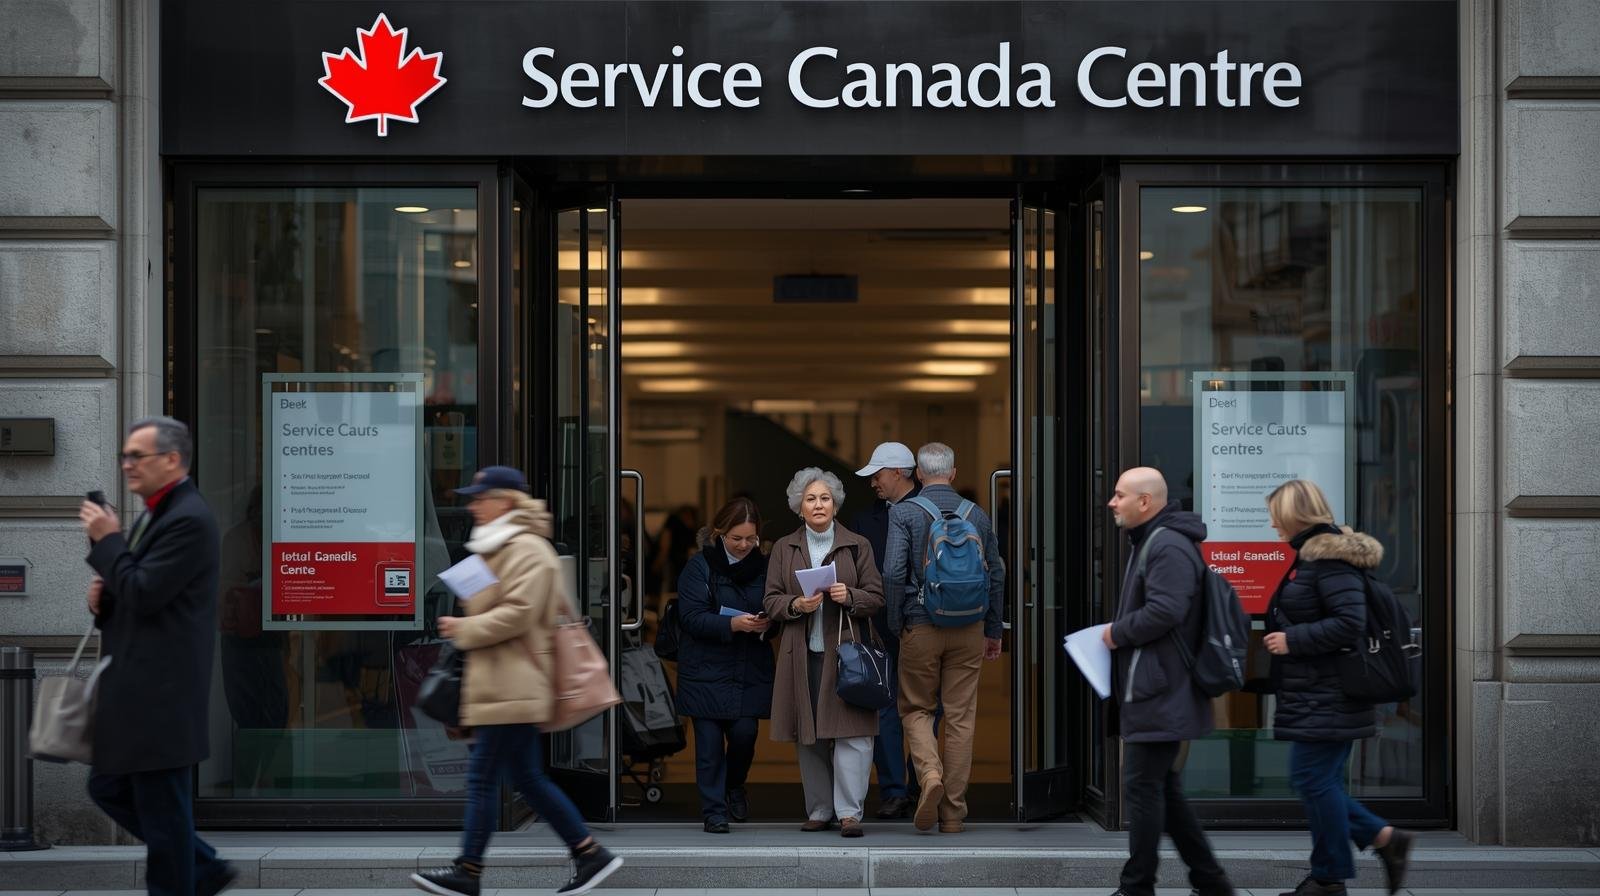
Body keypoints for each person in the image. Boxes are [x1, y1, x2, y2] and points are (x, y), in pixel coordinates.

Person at [411, 466, 622, 896]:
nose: (472, 505)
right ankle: (587, 852)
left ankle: (468, 871)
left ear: (505, 500)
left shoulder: (528, 549)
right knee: (526, 779)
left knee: (485, 779)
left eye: (480, 497)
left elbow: (518, 615)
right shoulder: (498, 547)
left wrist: (462, 628)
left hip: (515, 684)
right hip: (500, 684)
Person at [77, 416, 237, 896]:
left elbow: (145, 593)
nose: (127, 465)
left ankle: (197, 870)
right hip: (140, 692)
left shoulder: (187, 517)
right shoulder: (156, 512)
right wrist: (103, 598)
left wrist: (108, 540)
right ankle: (204, 866)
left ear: (171, 460)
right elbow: (137, 595)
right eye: (124, 456)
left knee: (163, 824)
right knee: (110, 789)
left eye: (137, 456)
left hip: (161, 697)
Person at [1262, 479, 1413, 896]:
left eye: (1277, 514)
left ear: (1296, 515)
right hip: (1318, 691)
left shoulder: (1328, 561)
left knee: (1312, 780)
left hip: (1331, 693)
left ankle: (1349, 863)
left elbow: (1350, 622)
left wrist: (1293, 640)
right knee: (1316, 780)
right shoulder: (1313, 558)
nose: (1272, 522)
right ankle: (1337, 871)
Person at [1102, 466, 1233, 896]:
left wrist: (1115, 633)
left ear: (1146, 502)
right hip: (1157, 688)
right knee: (1165, 790)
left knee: (1142, 787)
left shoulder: (1167, 546)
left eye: (1120, 495)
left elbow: (1166, 611)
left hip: (1160, 690)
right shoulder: (1153, 542)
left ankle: (1137, 885)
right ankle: (1210, 881)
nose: (1112, 502)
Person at [881, 442, 1005, 834]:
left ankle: (929, 774)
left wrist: (895, 619)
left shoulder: (905, 512)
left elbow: (891, 572)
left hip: (921, 624)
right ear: (952, 473)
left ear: (918, 474)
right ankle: (953, 812)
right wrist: (993, 628)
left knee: (916, 709)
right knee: (960, 717)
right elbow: (997, 573)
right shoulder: (978, 515)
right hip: (968, 628)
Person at [764, 467, 885, 838]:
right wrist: (796, 605)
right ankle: (819, 809)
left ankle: (849, 813)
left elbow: (876, 597)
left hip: (845, 655)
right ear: (799, 507)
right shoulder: (784, 547)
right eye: (811, 499)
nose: (818, 505)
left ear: (836, 505)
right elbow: (770, 600)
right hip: (802, 656)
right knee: (810, 734)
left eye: (825, 498)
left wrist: (848, 596)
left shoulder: (857, 544)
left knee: (853, 735)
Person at [674, 497, 775, 833]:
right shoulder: (700, 566)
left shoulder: (766, 566)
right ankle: (714, 812)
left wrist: (768, 622)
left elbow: (776, 605)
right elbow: (690, 617)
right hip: (704, 668)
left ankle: (734, 784)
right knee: (708, 746)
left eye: (751, 539)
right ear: (719, 533)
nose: (745, 545)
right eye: (737, 539)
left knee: (746, 735)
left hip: (749, 667)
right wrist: (734, 625)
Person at [849, 441, 920, 819]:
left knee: (927, 709)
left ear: (897, 473)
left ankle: (922, 784)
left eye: (877, 475)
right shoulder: (864, 520)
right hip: (878, 627)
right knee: (885, 709)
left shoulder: (934, 511)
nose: (873, 482)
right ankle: (894, 790)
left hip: (923, 626)